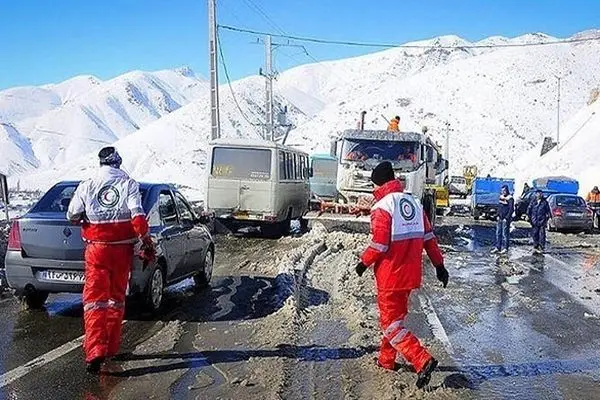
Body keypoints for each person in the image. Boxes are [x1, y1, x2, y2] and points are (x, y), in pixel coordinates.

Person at [355, 161, 448, 389]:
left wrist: (362, 263)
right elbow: (429, 238)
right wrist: (439, 266)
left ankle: (421, 359)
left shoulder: (382, 207)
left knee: (390, 325)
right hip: (410, 276)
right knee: (395, 320)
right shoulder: (415, 203)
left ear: (377, 183)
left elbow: (379, 244)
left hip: (390, 275)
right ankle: (386, 360)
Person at [67, 147, 155, 373]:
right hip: (122, 251)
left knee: (95, 301)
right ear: (118, 162)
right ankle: (111, 347)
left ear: (100, 163)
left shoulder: (87, 184)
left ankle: (95, 350)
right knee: (116, 299)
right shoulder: (128, 184)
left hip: (96, 251)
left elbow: (73, 214)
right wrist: (145, 240)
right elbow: (137, 216)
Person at [527, 189, 551, 254]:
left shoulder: (545, 202)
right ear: (536, 194)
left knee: (542, 234)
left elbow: (548, 211)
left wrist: (547, 218)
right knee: (535, 233)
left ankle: (542, 247)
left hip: (542, 220)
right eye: (538, 193)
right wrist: (529, 218)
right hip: (534, 220)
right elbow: (529, 210)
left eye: (540, 194)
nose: (539, 195)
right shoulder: (533, 201)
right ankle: (535, 246)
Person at [492, 185, 514, 254]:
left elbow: (511, 209)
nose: (503, 192)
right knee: (498, 233)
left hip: (505, 219)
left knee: (505, 234)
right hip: (500, 218)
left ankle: (505, 248)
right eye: (502, 191)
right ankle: (498, 247)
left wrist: (507, 218)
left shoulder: (510, 198)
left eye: (504, 190)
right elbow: (499, 207)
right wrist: (497, 215)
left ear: (507, 190)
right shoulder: (501, 197)